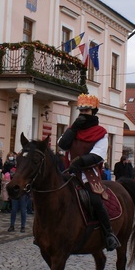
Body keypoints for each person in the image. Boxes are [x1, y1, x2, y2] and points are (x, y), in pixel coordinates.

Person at [57, 93, 120, 251]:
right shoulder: (73, 129)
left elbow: (98, 154)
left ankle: (109, 234)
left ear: (94, 112)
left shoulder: (101, 133)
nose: (83, 114)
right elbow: (62, 144)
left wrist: (79, 162)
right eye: (82, 111)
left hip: (88, 175)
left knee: (95, 201)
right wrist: (74, 129)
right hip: (69, 173)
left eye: (87, 111)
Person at [6, 167, 29, 233]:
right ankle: (12, 225)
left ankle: (23, 226)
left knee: (23, 210)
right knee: (14, 209)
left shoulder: (26, 170)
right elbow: (12, 176)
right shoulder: (13, 169)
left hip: (23, 192)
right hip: (15, 192)